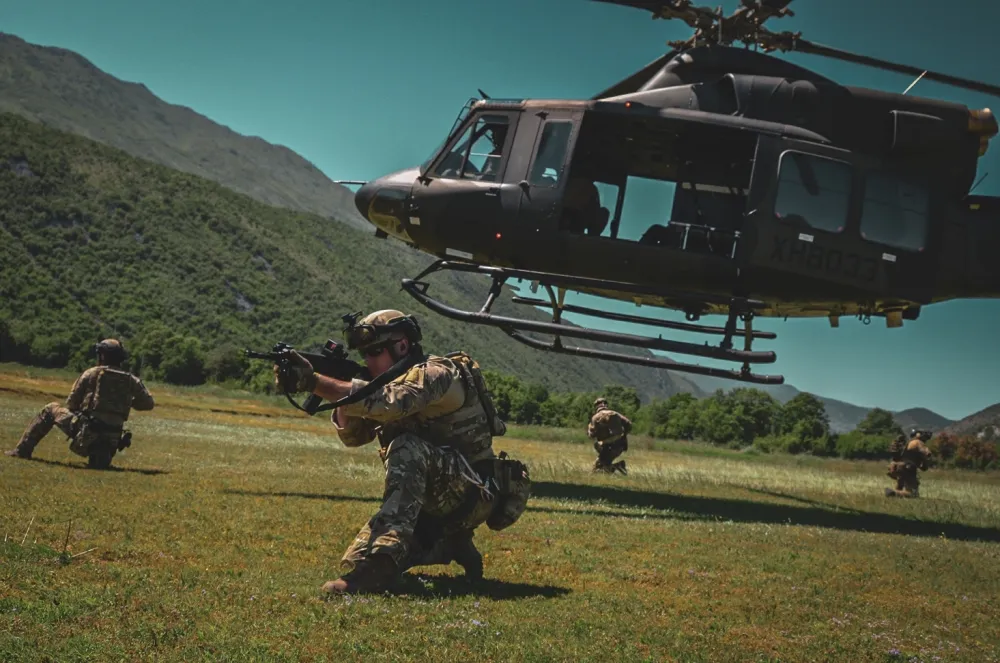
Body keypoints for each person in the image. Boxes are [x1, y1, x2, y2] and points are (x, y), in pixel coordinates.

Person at [272, 309, 529, 596]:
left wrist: (315, 382)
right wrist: (338, 391)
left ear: (402, 345)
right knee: (357, 558)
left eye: (375, 351)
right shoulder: (383, 383)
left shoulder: (438, 374)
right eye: (364, 354)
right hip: (435, 500)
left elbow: (390, 403)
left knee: (406, 448)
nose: (368, 361)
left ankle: (382, 566)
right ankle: (450, 542)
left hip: (474, 492)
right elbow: (354, 436)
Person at [4, 339, 155, 469]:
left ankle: (22, 450)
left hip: (87, 434)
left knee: (50, 409)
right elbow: (149, 403)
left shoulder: (91, 373)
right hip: (113, 440)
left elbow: (71, 404)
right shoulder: (131, 380)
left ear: (102, 355)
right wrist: (127, 403)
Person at [587, 397, 632, 475]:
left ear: (596, 406)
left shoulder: (595, 417)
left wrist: (589, 427)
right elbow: (629, 424)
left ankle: (617, 466)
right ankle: (618, 466)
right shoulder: (616, 414)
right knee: (603, 466)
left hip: (607, 447)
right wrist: (624, 435)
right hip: (620, 446)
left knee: (595, 471)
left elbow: (591, 435)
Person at [885, 428, 932, 498]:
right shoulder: (918, 442)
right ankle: (893, 493)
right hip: (908, 468)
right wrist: (927, 458)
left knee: (901, 484)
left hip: (898, 466)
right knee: (913, 493)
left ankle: (896, 494)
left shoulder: (908, 443)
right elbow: (927, 453)